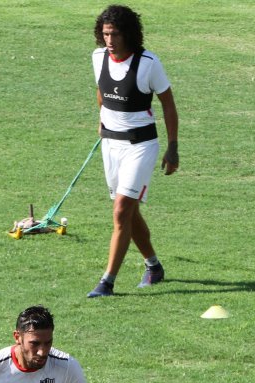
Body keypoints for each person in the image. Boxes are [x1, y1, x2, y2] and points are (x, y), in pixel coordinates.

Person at [87, 4, 179, 298]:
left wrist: (173, 147)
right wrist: (102, 123)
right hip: (110, 146)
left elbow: (167, 103)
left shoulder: (149, 63)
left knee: (121, 210)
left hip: (140, 146)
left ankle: (107, 282)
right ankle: (153, 266)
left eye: (114, 34)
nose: (109, 40)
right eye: (105, 34)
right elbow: (102, 91)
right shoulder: (98, 57)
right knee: (128, 212)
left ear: (128, 34)